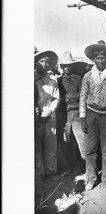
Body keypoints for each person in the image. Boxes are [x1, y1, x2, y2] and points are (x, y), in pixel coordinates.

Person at [79, 40, 106, 191]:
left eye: (103, 58)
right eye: (97, 58)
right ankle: (91, 179)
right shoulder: (88, 76)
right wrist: (83, 117)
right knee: (90, 149)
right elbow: (82, 97)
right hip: (91, 114)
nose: (100, 60)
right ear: (94, 60)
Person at [34, 49, 60, 198]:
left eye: (47, 61)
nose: (45, 63)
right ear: (37, 62)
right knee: (36, 148)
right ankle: (39, 174)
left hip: (50, 118)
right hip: (35, 118)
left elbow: (56, 98)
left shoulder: (52, 79)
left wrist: (49, 111)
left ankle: (51, 171)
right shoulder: (31, 78)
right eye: (42, 61)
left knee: (51, 147)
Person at [57, 51, 87, 176]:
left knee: (82, 141)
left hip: (77, 113)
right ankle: (69, 167)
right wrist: (69, 99)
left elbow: (83, 96)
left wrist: (68, 97)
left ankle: (85, 167)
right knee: (67, 142)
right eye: (64, 66)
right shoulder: (58, 81)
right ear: (62, 67)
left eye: (68, 65)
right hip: (64, 114)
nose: (66, 68)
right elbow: (58, 98)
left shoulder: (79, 79)